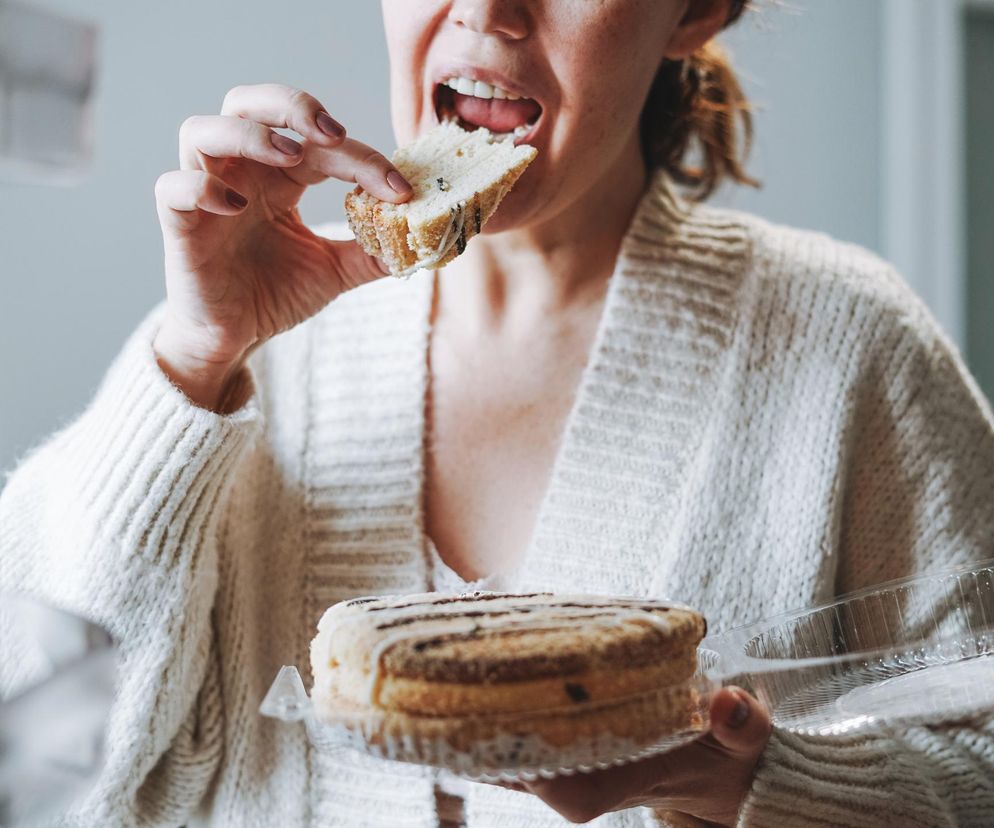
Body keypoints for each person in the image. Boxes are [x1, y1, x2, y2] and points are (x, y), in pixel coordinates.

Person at [2, 0, 994, 825]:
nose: (486, 8)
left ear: (694, 12)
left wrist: (745, 785)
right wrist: (193, 357)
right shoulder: (245, 354)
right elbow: (42, 768)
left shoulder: (851, 350)